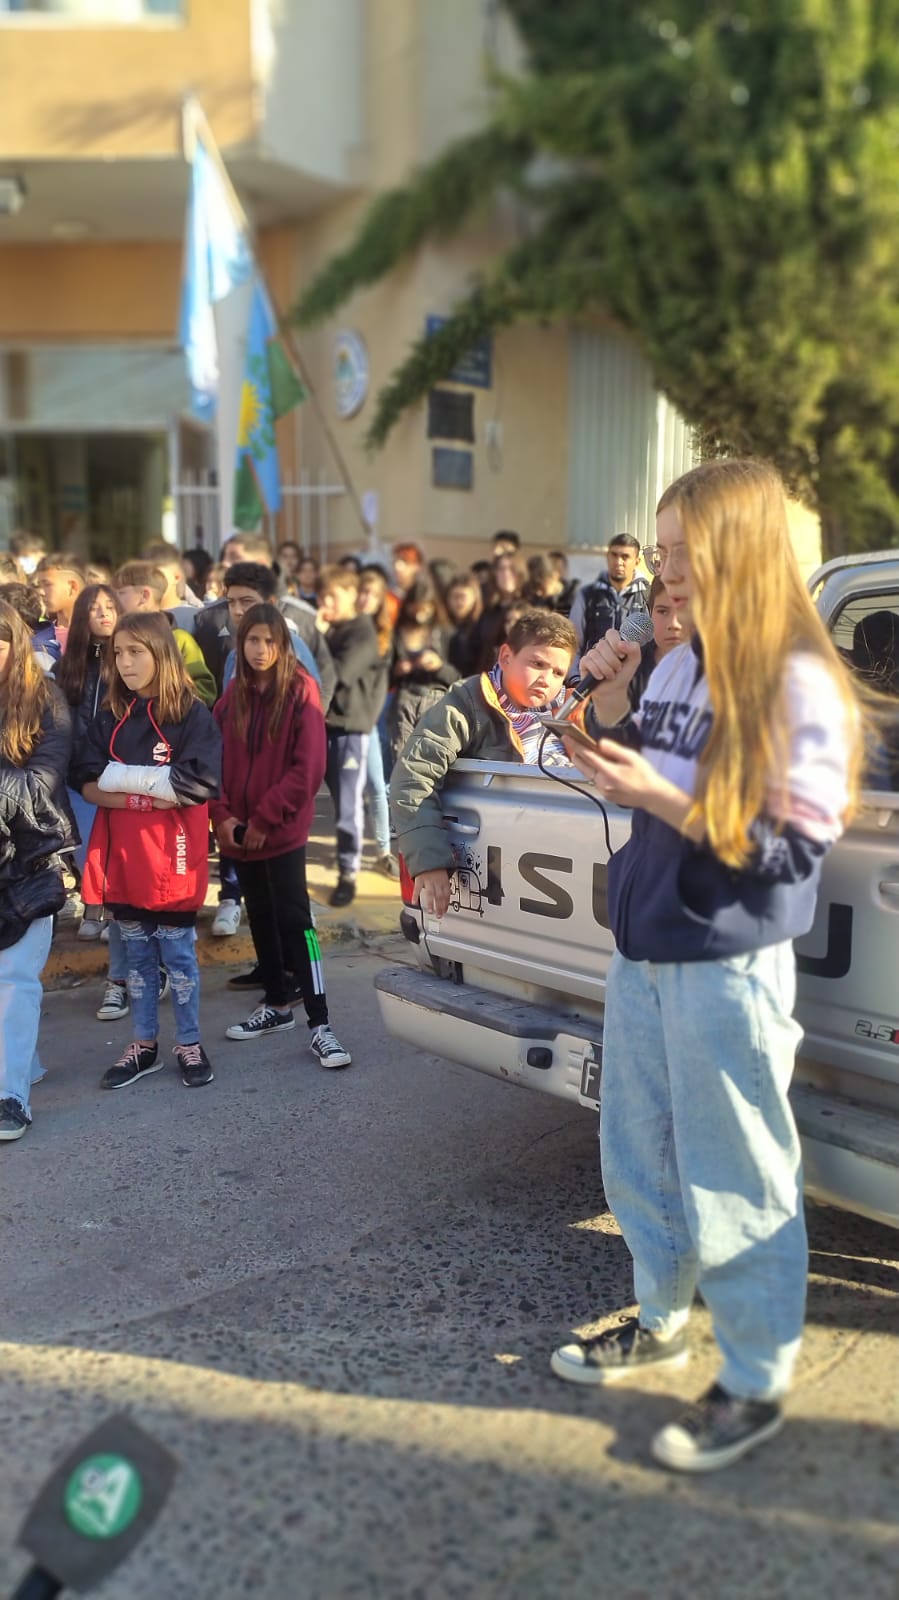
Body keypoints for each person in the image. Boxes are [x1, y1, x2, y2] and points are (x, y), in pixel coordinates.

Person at [548, 458, 863, 1474]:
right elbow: (640, 762)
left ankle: (756, 1377)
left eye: (685, 551)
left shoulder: (797, 685)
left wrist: (657, 795)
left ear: (741, 549)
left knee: (738, 1172)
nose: (665, 572)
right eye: (661, 550)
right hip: (644, 944)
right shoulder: (681, 665)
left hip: (726, 960)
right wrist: (607, 704)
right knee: (637, 1147)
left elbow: (785, 852)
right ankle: (660, 1319)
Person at [72, 612, 221, 1091]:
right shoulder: (111, 715)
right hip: (123, 857)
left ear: (160, 653)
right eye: (118, 653)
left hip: (174, 857)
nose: (125, 662)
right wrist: (147, 794)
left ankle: (189, 1042)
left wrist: (120, 779)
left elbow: (195, 785)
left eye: (135, 651)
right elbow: (86, 780)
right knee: (136, 957)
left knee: (178, 956)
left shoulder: (191, 715)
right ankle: (144, 1044)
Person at [212, 604, 352, 1067]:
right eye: (252, 640)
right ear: (241, 643)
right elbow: (211, 762)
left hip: (281, 832)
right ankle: (276, 1003)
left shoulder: (300, 691)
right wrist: (223, 817)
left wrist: (264, 819)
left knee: (297, 922)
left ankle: (321, 1024)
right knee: (260, 916)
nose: (261, 649)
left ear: (283, 645)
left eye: (269, 641)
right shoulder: (233, 696)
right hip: (239, 833)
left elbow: (308, 768)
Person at [390, 610, 578, 917]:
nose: (547, 679)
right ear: (506, 657)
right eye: (537, 664)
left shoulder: (571, 707)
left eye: (558, 672)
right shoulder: (467, 705)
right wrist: (430, 861)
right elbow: (413, 775)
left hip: (570, 853)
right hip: (503, 868)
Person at [0, 601, 79, 1142]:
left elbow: (40, 785)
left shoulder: (46, 700)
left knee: (14, 979)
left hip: (31, 859)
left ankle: (11, 1098)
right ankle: (21, 1065)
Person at [54, 583, 124, 944]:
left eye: (110, 606)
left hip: (118, 773)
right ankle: (93, 904)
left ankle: (112, 909)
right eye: (95, 607)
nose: (104, 613)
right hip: (78, 777)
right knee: (87, 850)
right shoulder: (66, 667)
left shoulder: (128, 660)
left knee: (116, 848)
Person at [194, 533, 335, 704]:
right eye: (232, 602)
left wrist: (315, 714)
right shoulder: (212, 623)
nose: (224, 564)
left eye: (234, 558)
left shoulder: (300, 622)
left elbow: (323, 680)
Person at [317, 565, 384, 907]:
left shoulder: (361, 631)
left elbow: (340, 674)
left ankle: (348, 873)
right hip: (323, 726)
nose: (325, 603)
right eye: (322, 596)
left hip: (350, 730)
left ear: (351, 595)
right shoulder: (332, 631)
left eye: (333, 596)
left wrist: (317, 636)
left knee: (347, 805)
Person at [113, 562, 216, 707]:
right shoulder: (118, 640)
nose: (114, 600)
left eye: (121, 593)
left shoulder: (179, 639)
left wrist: (168, 704)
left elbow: (204, 690)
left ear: (144, 595)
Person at [386, 579, 460, 770]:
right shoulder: (397, 634)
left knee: (430, 759)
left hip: (436, 697)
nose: (420, 614)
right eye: (416, 608)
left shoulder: (445, 633)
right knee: (401, 759)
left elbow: (458, 677)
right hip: (405, 698)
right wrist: (398, 670)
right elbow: (385, 677)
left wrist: (439, 666)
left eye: (425, 608)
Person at [357, 565, 399, 877]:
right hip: (343, 717)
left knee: (376, 782)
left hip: (373, 713)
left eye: (373, 594)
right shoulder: (344, 629)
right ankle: (349, 853)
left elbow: (385, 677)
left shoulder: (384, 635)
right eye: (363, 592)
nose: (366, 598)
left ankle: (384, 851)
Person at [569, 532, 650, 652]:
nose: (618, 562)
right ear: (607, 557)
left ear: (637, 561)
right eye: (614, 555)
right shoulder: (587, 595)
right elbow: (574, 643)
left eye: (625, 557)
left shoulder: (648, 596)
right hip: (595, 663)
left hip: (636, 664)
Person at [626, 575, 687, 710]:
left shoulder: (716, 671)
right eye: (663, 611)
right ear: (650, 612)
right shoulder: (631, 668)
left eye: (683, 610)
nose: (673, 624)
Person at [34, 553, 86, 658]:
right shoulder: (39, 638)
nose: (41, 592)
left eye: (47, 584)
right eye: (40, 585)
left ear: (72, 587)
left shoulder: (97, 635)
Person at [445, 572, 483, 678]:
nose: (459, 602)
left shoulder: (481, 629)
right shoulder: (443, 629)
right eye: (454, 597)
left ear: (474, 598)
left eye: (462, 597)